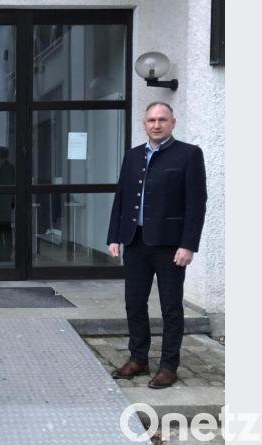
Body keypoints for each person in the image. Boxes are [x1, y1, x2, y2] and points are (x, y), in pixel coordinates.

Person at [107, 102, 207, 389]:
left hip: (170, 246)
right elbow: (122, 198)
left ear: (173, 122)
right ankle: (138, 358)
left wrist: (188, 245)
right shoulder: (133, 156)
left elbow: (196, 204)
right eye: (151, 119)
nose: (156, 124)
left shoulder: (189, 155)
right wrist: (114, 236)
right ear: (144, 123)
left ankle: (168, 366)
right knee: (134, 304)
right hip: (135, 242)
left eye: (162, 119)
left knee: (171, 307)